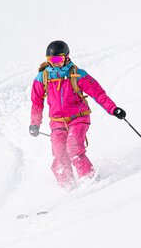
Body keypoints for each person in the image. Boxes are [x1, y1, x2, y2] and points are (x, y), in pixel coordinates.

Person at [30, 40, 126, 187]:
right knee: (59, 156)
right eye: (51, 60)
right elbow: (37, 103)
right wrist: (34, 124)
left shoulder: (77, 74)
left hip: (78, 119)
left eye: (58, 60)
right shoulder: (43, 78)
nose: (55, 63)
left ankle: (91, 181)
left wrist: (113, 109)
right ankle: (68, 189)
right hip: (57, 122)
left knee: (74, 149)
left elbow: (98, 94)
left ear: (66, 57)